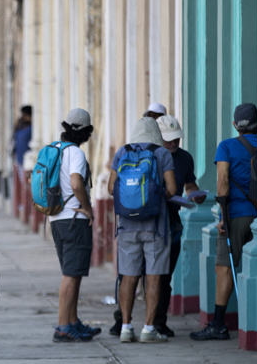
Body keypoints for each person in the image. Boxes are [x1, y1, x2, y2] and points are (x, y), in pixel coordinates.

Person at [190, 103, 257, 341]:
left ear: (234, 124)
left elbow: (223, 183)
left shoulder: (227, 146)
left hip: (236, 215)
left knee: (224, 268)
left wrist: (222, 217)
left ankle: (218, 324)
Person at [108, 117, 176, 343]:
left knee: (128, 277)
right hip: (156, 226)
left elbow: (111, 188)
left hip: (127, 225)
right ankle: (149, 328)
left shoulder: (122, 153)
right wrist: (155, 199)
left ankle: (126, 327)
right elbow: (173, 189)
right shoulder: (162, 154)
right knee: (154, 278)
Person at [48, 109, 102, 343]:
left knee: (74, 272)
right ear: (85, 132)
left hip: (56, 219)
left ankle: (72, 321)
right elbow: (76, 183)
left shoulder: (54, 149)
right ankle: (63, 327)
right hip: (74, 220)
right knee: (71, 275)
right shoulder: (75, 153)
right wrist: (87, 207)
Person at [154, 115, 207, 337]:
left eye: (176, 138)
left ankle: (159, 321)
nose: (173, 143)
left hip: (173, 221)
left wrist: (196, 195)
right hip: (151, 220)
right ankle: (123, 321)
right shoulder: (151, 156)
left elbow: (190, 184)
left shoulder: (185, 158)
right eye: (169, 139)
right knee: (137, 274)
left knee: (165, 276)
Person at [12, 105, 32, 217]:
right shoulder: (21, 127)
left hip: (27, 161)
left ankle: (29, 206)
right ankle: (24, 205)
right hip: (19, 160)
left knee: (28, 184)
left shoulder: (31, 128)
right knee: (23, 182)